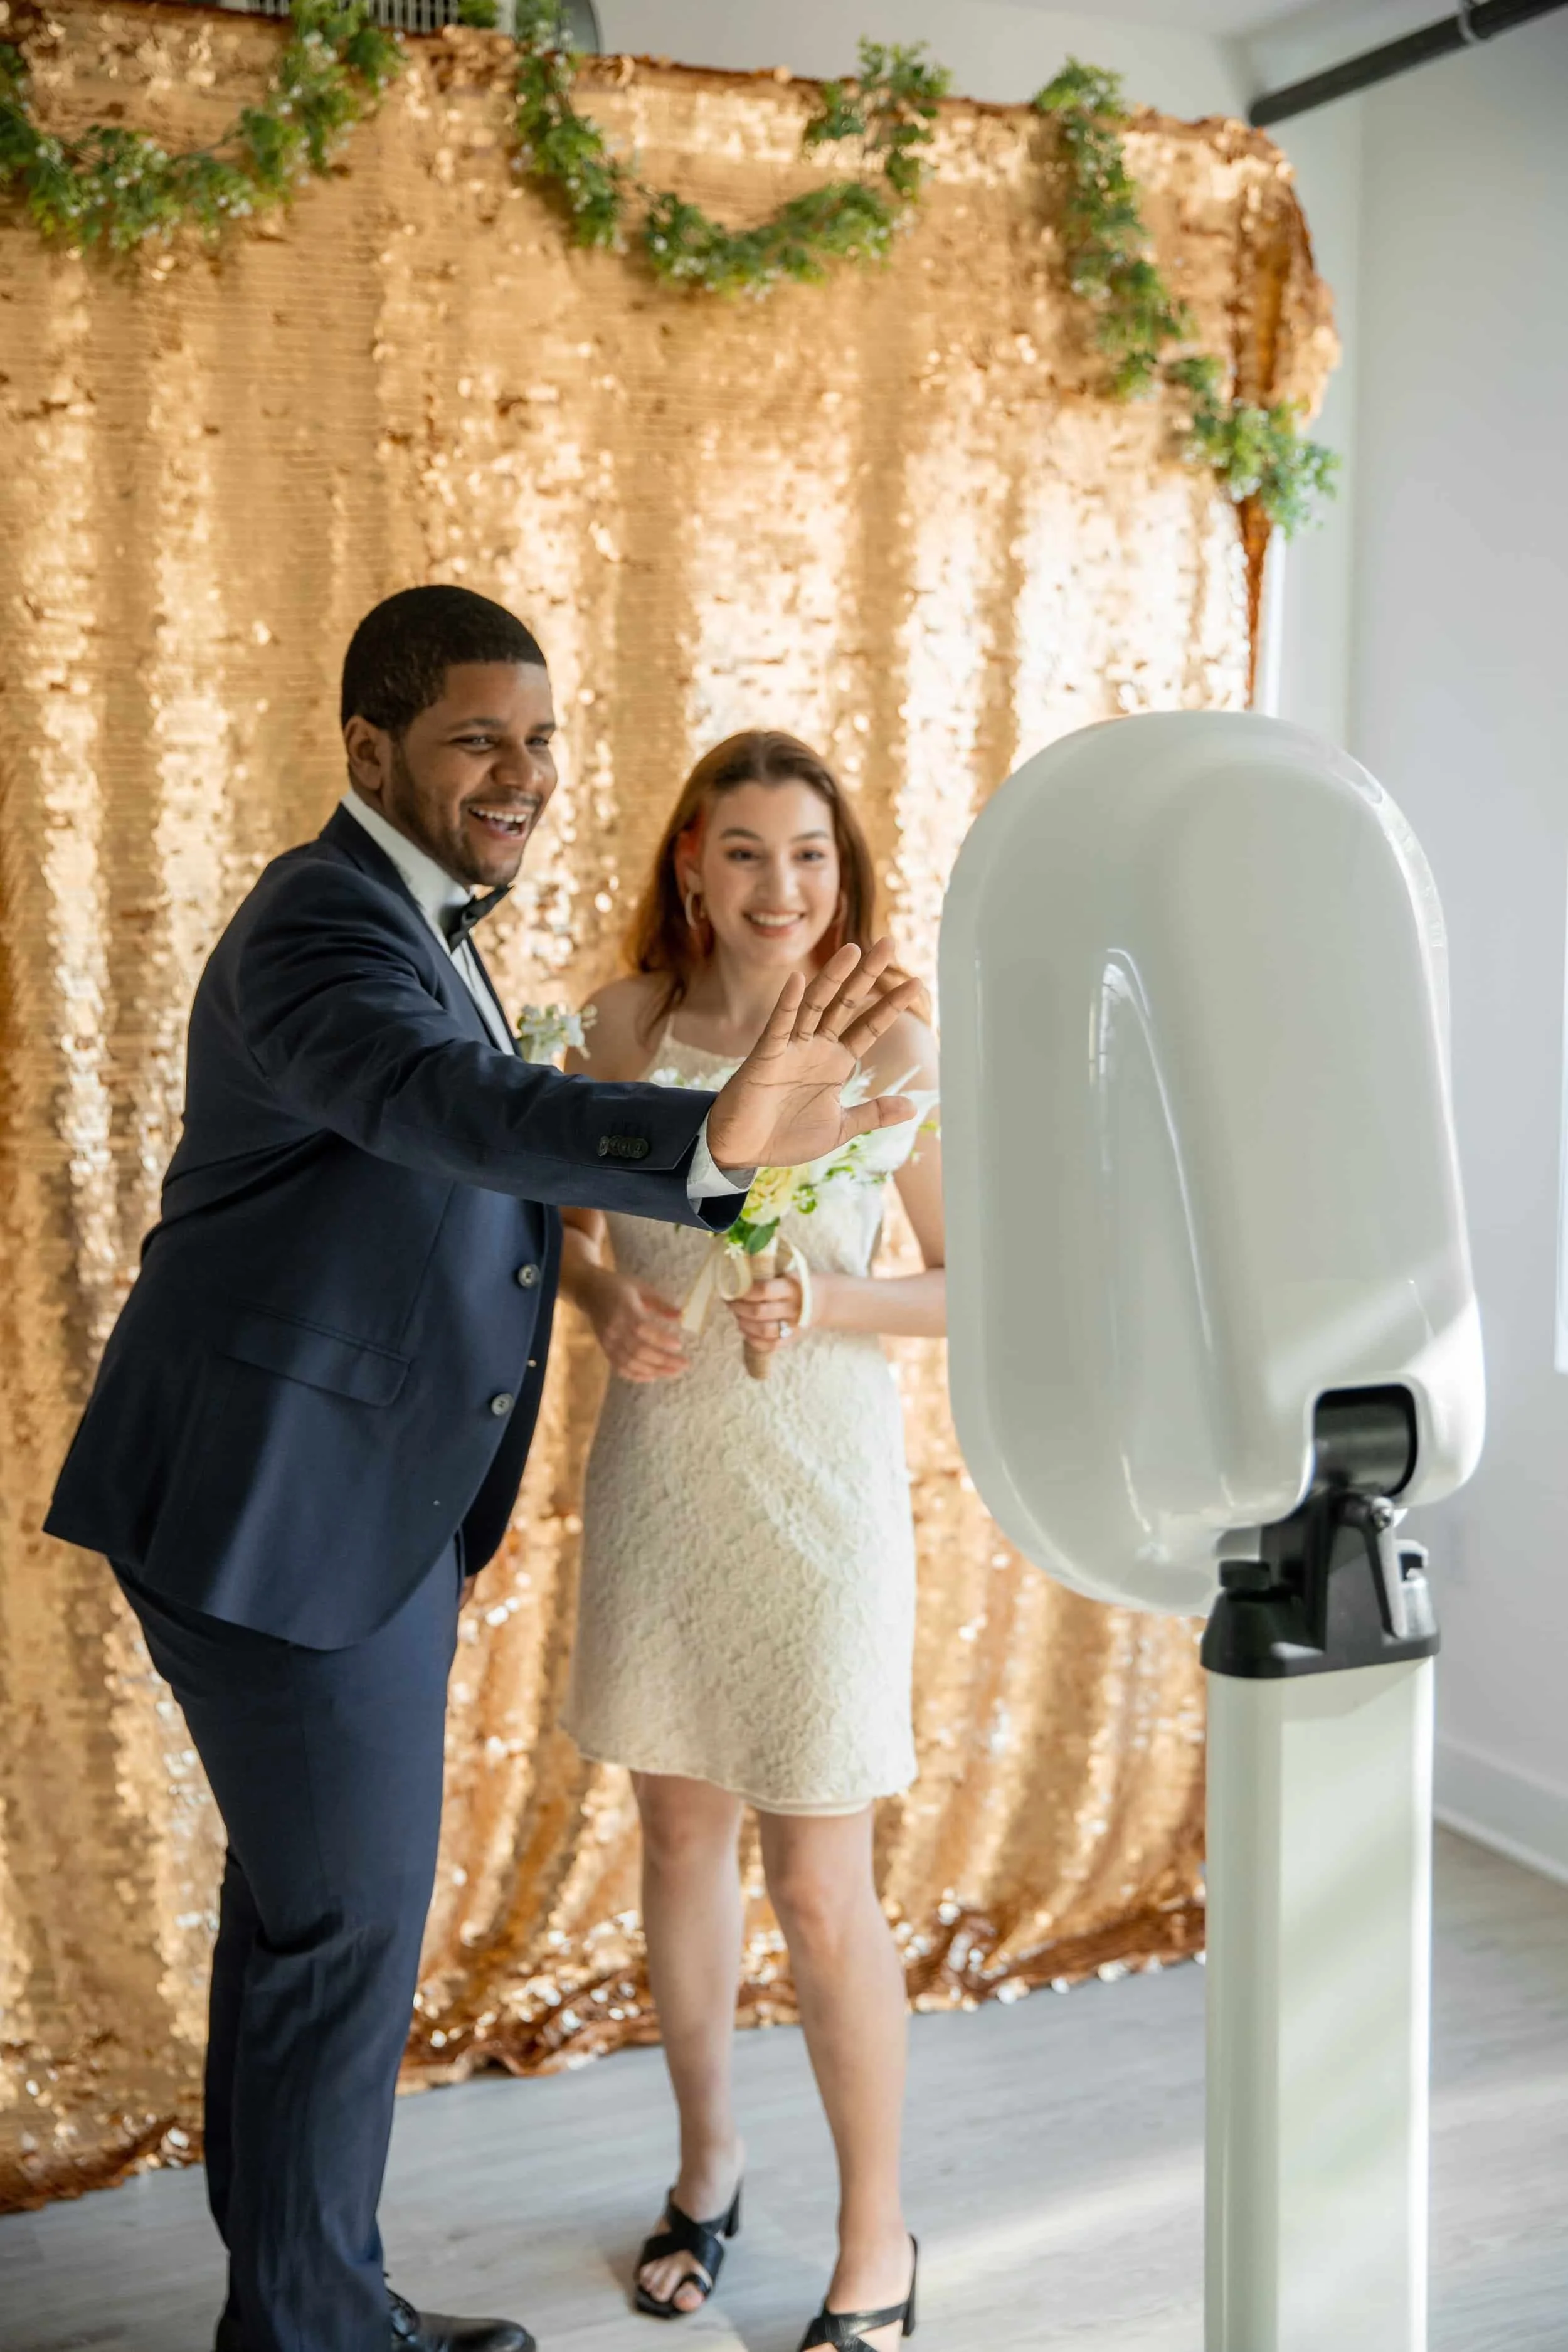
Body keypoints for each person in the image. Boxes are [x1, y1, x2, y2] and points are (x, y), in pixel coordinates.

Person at [44, 598, 922, 2352]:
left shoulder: (418, 914)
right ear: (367, 749)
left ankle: (316, 2292)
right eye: (474, 739)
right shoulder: (323, 927)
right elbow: (448, 1105)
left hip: (329, 1501)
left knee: (309, 1925)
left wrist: (620, 1269)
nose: (519, 774)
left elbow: (475, 1175)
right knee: (343, 1937)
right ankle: (311, 2330)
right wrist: (714, 1133)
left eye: (538, 740)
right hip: (283, 1510)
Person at [558, 730, 944, 2352]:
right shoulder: (615, 1027)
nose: (777, 886)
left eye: (807, 854)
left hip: (820, 1488)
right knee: (674, 1837)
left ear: (839, 873)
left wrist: (830, 1296)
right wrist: (603, 1299)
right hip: (663, 1471)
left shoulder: (890, 1043)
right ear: (687, 866)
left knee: (819, 1876)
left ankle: (875, 2243)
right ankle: (705, 2170)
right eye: (742, 851)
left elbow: (974, 1280)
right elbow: (556, 1225)